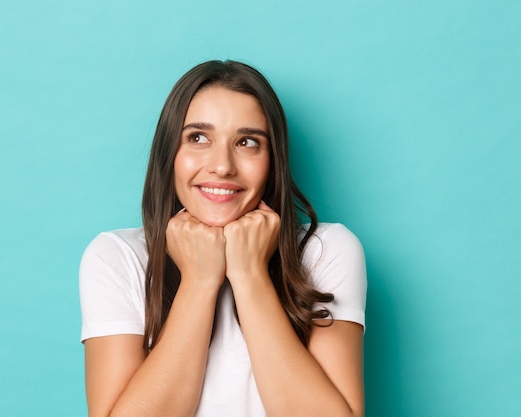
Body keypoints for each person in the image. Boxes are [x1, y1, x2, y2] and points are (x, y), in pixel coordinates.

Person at [79, 60, 367, 417]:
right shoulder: (117, 256)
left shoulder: (326, 250)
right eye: (198, 138)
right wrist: (199, 281)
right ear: (169, 154)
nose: (222, 165)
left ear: (272, 161)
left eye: (247, 142)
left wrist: (250, 274)